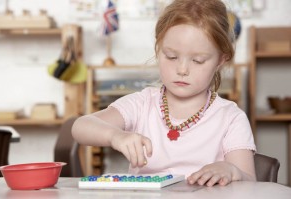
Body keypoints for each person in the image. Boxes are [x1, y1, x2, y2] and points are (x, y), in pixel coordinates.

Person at [72, 0, 256, 187]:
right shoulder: (142, 104)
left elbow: (250, 181)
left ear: (221, 60)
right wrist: (115, 136)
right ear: (158, 50)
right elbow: (81, 126)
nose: (182, 69)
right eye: (171, 56)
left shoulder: (231, 118)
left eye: (198, 60)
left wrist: (232, 170)